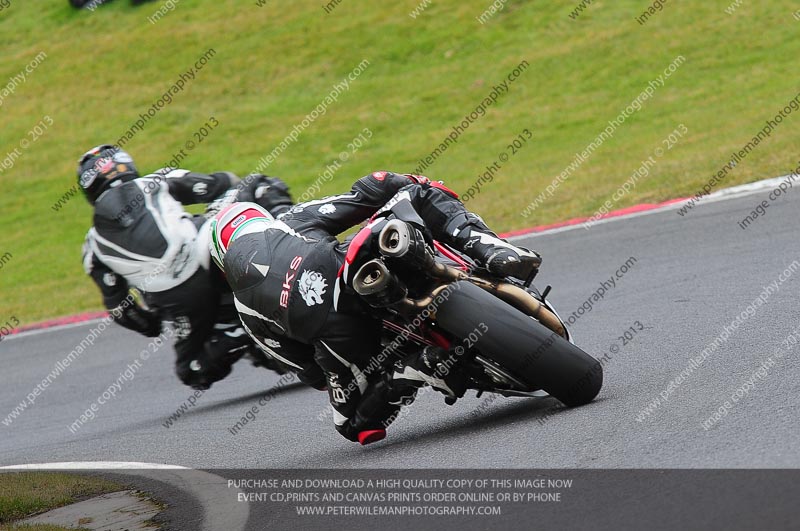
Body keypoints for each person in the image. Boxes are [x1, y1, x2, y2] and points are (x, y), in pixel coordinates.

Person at [209, 171, 541, 443]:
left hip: (334, 331)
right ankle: (491, 248)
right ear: (261, 217)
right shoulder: (290, 219)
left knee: (352, 425)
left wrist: (359, 369)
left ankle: (414, 369)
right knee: (415, 193)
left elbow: (309, 371)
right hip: (343, 268)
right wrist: (408, 182)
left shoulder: (244, 309)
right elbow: (368, 191)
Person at [78, 144, 295, 390]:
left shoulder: (92, 246)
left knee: (192, 370)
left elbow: (122, 311)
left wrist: (152, 323)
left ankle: (234, 336)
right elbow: (221, 184)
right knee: (257, 184)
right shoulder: (157, 180)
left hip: (177, 300)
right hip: (207, 255)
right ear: (126, 165)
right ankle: (293, 239)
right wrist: (217, 207)